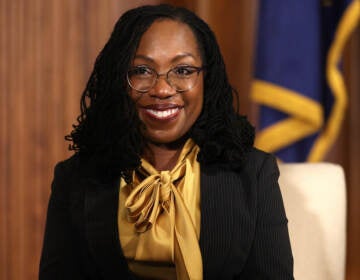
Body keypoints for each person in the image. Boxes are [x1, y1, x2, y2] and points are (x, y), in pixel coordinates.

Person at [39, 4, 294, 280]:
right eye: (142, 70)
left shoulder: (254, 173)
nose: (162, 89)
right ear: (119, 80)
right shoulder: (75, 178)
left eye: (183, 70)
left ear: (207, 78)